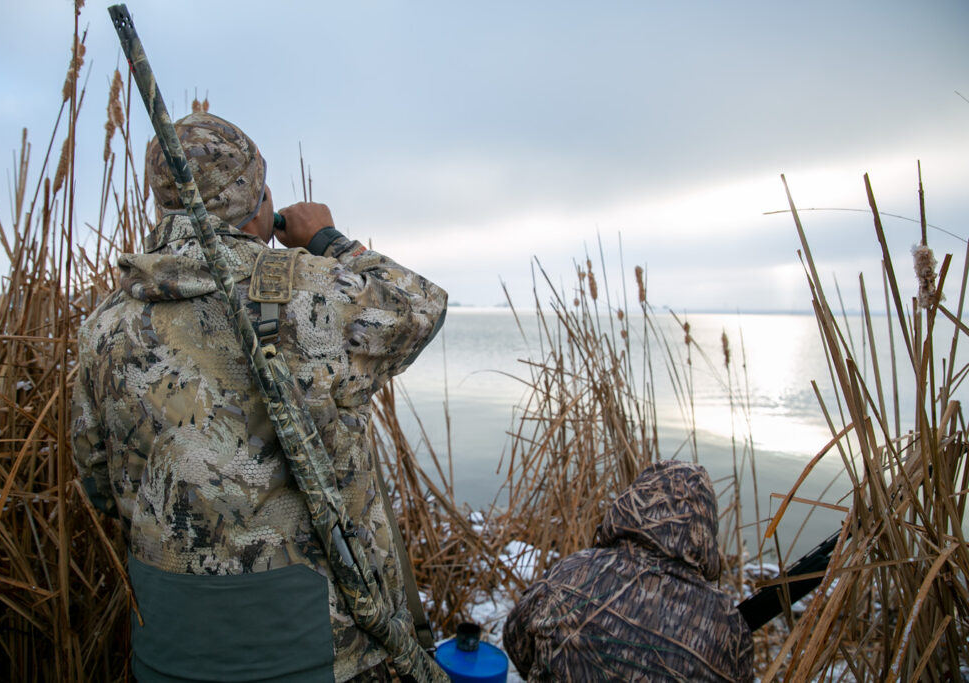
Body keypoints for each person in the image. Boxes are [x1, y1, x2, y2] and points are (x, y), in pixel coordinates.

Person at [72, 111, 446, 683]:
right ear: (256, 200)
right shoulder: (309, 294)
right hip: (316, 653)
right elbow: (421, 306)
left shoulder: (106, 325)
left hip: (172, 648)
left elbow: (97, 482)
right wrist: (326, 238)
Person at [503, 460, 753, 682]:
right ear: (706, 530)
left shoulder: (573, 571)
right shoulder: (728, 624)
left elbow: (517, 641)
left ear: (633, 503)